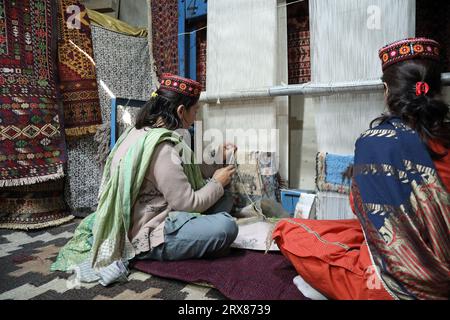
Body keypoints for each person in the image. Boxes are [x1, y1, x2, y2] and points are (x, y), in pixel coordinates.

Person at [273, 38, 450, 300]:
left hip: (392, 288)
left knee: (289, 231)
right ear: (437, 89)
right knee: (346, 231)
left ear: (386, 90)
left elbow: (362, 209)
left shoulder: (375, 143)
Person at [52, 74, 239, 281]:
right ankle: (150, 253)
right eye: (195, 110)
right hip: (148, 230)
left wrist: (216, 157)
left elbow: (189, 169)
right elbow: (187, 203)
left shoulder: (142, 132)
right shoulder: (161, 147)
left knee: (225, 199)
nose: (195, 117)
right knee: (226, 227)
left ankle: (199, 244)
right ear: (180, 111)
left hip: (154, 209)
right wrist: (216, 182)